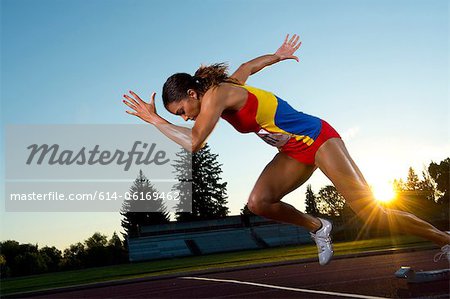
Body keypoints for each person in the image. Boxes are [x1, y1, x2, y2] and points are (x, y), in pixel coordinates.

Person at [123, 34, 450, 265]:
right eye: (177, 116)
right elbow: (249, 66)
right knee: (259, 202)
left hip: (318, 138)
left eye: (181, 110)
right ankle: (318, 227)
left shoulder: (216, 96)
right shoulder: (229, 87)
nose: (184, 116)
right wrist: (277, 55)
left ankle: (445, 241)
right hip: (293, 152)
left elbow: (195, 142)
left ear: (193, 94)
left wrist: (153, 120)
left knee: (370, 211)